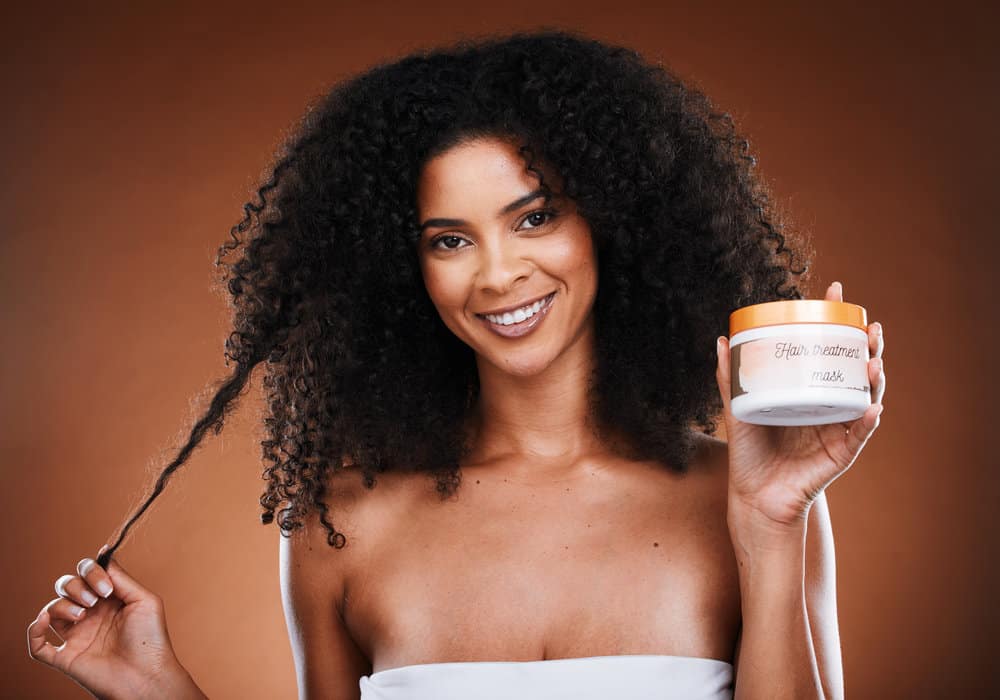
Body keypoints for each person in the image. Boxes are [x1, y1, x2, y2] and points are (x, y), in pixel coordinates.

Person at [26, 29, 886, 699]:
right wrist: (155, 688)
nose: (497, 273)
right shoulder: (339, 525)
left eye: (534, 218)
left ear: (610, 221)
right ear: (405, 269)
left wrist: (772, 527)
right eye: (449, 239)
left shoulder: (749, 500)